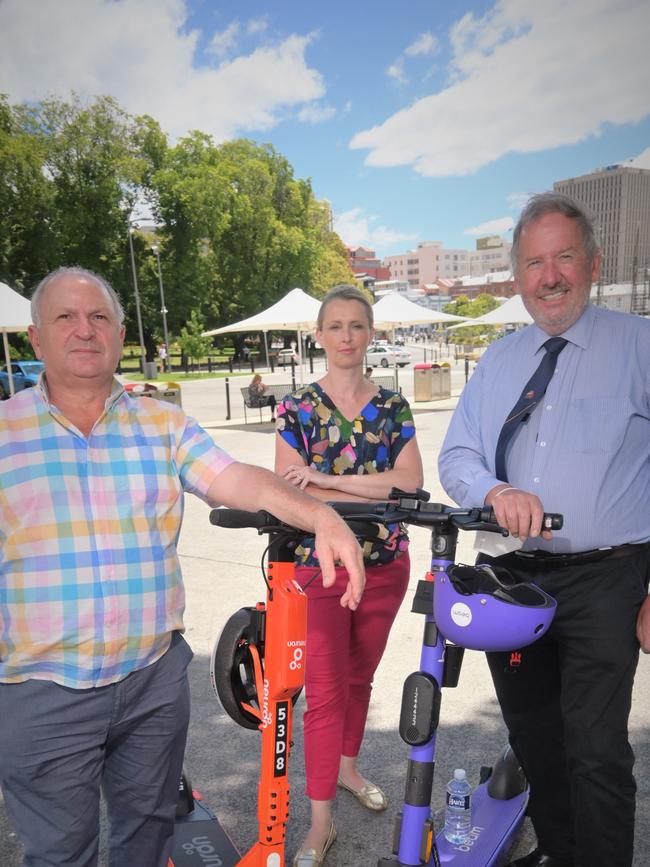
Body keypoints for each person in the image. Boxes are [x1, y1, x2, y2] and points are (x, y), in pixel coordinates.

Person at [0, 267, 365, 867]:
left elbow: (238, 480)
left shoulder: (163, 424)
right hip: (42, 693)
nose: (84, 330)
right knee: (60, 853)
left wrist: (321, 516)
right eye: (65, 317)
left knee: (145, 837)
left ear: (120, 334)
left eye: (99, 318)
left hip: (151, 684)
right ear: (36, 339)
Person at [438, 193, 650, 867]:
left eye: (563, 257)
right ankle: (563, 853)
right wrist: (493, 490)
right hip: (511, 580)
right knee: (536, 743)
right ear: (517, 276)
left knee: (596, 751)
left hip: (607, 578)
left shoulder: (640, 345)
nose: (549, 275)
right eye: (534, 261)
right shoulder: (499, 360)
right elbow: (455, 456)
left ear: (592, 262)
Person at [275, 284, 424, 867]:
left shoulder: (392, 407)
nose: (345, 336)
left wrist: (327, 482)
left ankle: (347, 769)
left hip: (385, 564)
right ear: (318, 336)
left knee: (360, 679)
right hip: (319, 568)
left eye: (356, 326)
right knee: (325, 693)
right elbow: (287, 487)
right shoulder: (297, 408)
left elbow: (408, 485)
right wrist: (366, 484)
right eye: (334, 326)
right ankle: (319, 823)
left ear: (369, 334)